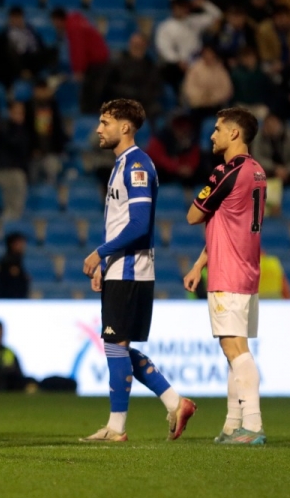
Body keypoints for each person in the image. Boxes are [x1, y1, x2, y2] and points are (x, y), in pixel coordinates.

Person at [80, 99, 196, 443]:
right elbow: (119, 223)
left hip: (132, 270)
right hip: (121, 268)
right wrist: (106, 263)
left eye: (105, 122)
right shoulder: (120, 165)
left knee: (115, 345)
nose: (99, 129)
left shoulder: (137, 166)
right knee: (117, 346)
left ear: (125, 127)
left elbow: (140, 225)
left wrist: (100, 252)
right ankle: (176, 402)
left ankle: (117, 428)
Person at [184, 107, 267, 445]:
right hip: (245, 270)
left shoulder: (227, 171)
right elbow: (227, 221)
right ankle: (234, 424)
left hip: (229, 273)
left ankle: (254, 425)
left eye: (218, 129)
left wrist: (207, 191)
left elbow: (193, 215)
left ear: (235, 134)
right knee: (233, 347)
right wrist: (199, 264)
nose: (212, 135)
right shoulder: (257, 171)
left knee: (235, 349)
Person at [252, 114, 290, 186]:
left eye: (274, 124)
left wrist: (287, 170)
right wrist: (275, 168)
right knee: (256, 174)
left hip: (289, 168)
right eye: (268, 125)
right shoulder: (259, 136)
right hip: (270, 168)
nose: (271, 127)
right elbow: (257, 157)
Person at [0, 233, 29, 299]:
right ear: (12, 244)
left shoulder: (18, 260)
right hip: (9, 302)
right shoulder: (7, 261)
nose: (23, 246)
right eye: (20, 243)